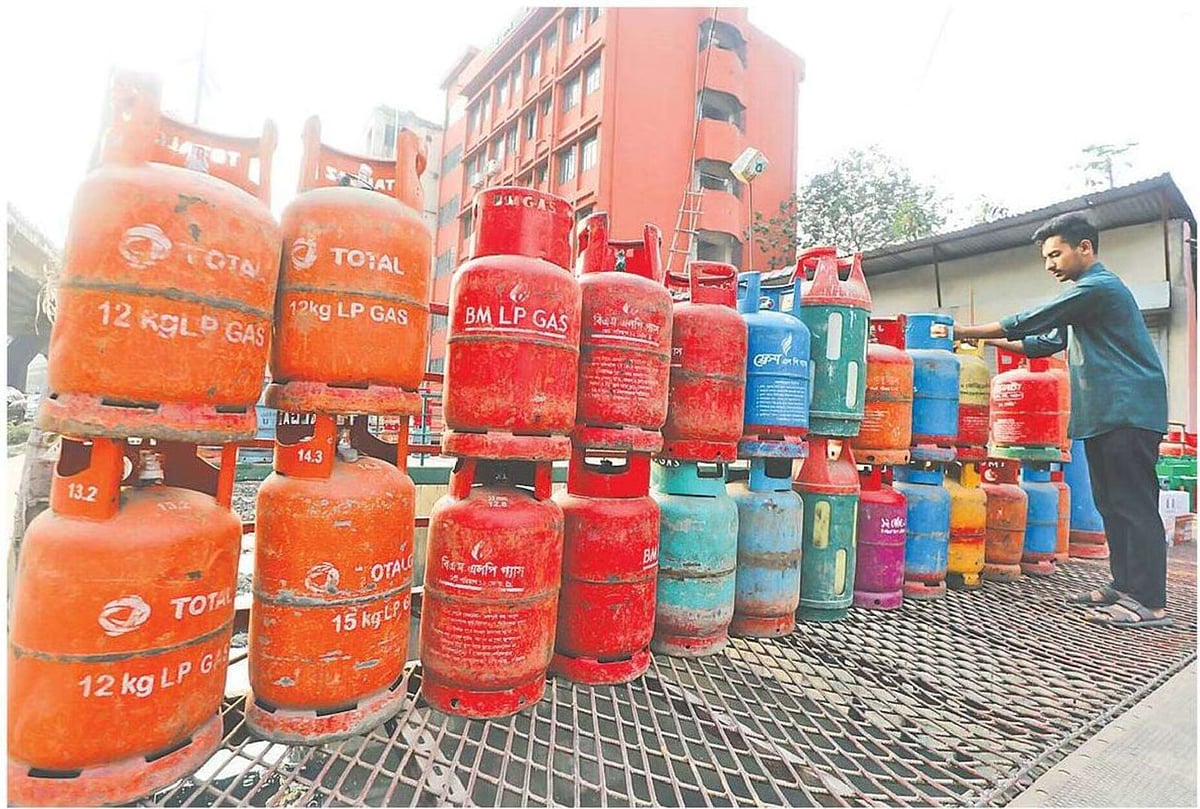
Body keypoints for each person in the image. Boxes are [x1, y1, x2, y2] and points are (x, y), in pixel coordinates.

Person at [952, 211, 1171, 628]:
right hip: (1105, 414)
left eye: (1055, 255)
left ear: (1084, 248)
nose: (1049, 265)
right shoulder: (1085, 300)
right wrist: (983, 340)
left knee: (1134, 506)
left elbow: (1035, 318)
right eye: (1046, 258)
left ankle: (1150, 602)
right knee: (1111, 504)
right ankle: (1124, 586)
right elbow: (1042, 342)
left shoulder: (1098, 288)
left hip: (1128, 411)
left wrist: (965, 331)